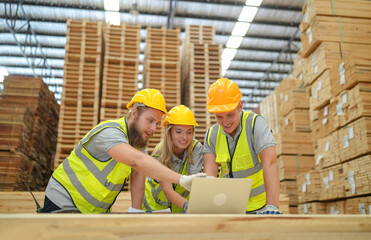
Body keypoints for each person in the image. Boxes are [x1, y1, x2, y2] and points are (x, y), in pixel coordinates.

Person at [43, 89, 206, 213]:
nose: (153, 128)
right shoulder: (110, 132)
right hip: (64, 201)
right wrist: (182, 179)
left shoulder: (138, 143)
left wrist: (136, 211)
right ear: (134, 113)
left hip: (94, 211)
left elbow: (138, 173)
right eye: (150, 121)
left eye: (156, 123)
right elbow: (138, 162)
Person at [203, 78, 281, 214]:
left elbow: (271, 163)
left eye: (230, 115)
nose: (225, 122)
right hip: (228, 208)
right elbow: (210, 177)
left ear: (240, 106)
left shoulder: (255, 124)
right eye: (219, 117)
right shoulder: (212, 135)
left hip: (260, 208)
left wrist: (272, 206)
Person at [142, 105, 203, 213]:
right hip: (155, 208)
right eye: (179, 132)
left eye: (189, 132)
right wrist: (189, 206)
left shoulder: (196, 148)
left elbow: (195, 183)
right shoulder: (160, 153)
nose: (185, 137)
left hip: (180, 208)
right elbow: (167, 190)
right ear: (169, 132)